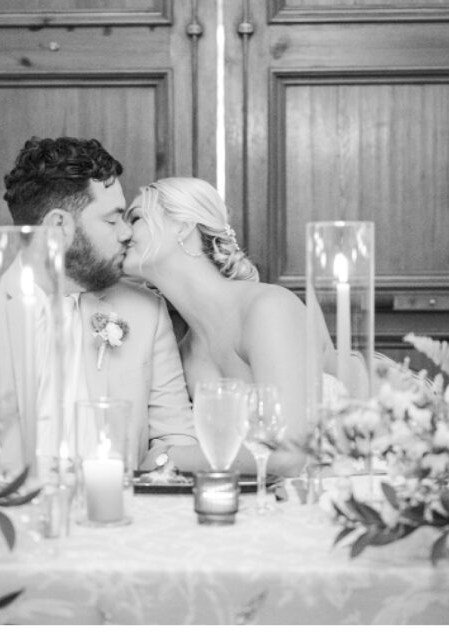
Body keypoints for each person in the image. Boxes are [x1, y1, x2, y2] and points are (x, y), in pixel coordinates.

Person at [0, 137, 205, 473]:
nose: (126, 233)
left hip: (118, 514)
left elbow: (177, 439)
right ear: (59, 226)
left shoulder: (146, 312)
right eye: (112, 219)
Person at [123, 177, 345, 477]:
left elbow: (290, 455)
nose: (123, 232)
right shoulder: (183, 351)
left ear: (183, 226)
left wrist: (169, 457)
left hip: (346, 492)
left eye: (135, 217)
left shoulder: (267, 309)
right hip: (262, 503)